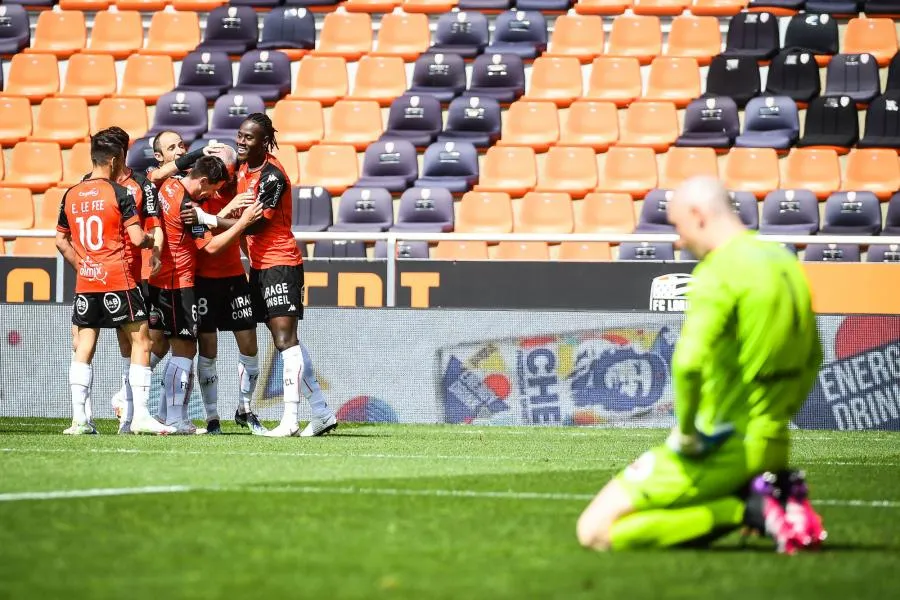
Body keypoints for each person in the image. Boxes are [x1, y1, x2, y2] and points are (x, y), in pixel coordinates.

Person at [575, 176, 827, 554]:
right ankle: (764, 498)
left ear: (698, 215)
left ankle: (747, 510)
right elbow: (814, 356)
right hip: (774, 442)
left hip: (721, 444)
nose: (678, 240)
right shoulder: (785, 262)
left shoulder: (718, 272)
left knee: (593, 530)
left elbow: (688, 363)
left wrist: (689, 432)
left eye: (678, 226)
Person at [55, 131, 173, 435]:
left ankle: (80, 419)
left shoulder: (72, 193)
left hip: (87, 280)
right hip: (119, 277)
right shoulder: (119, 193)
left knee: (83, 345)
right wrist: (149, 241)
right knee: (141, 341)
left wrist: (83, 266)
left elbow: (60, 240)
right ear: (114, 158)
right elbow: (137, 237)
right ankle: (141, 416)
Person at [235, 113, 337, 437]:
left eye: (249, 137)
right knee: (287, 343)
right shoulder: (242, 171)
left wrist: (211, 219)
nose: (241, 141)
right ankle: (321, 412)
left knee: (284, 341)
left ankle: (290, 419)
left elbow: (258, 222)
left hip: (281, 262)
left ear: (264, 141)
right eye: (240, 135)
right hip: (260, 265)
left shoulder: (272, 176)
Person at [147, 155, 262, 434]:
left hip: (212, 278)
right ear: (203, 180)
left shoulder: (170, 185)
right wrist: (241, 221)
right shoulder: (188, 205)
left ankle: (165, 415)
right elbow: (209, 247)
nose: (214, 194)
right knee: (185, 349)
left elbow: (154, 177)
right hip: (186, 281)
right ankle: (194, 418)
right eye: (212, 189)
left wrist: (221, 213)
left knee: (178, 347)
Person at [179, 144, 266, 435]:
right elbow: (208, 239)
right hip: (203, 278)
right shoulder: (194, 196)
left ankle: (245, 409)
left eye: (227, 168)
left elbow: (244, 228)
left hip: (233, 277)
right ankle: (212, 417)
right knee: (208, 350)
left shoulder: (233, 190)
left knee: (249, 344)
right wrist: (230, 213)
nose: (224, 174)